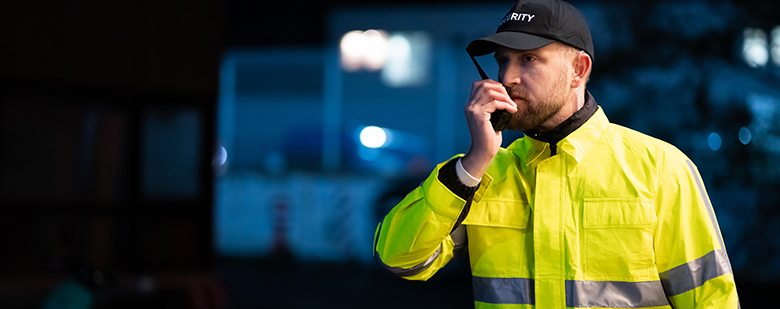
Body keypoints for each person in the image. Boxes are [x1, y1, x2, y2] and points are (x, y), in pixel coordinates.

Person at [372, 0, 740, 308]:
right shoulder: (481, 173)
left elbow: (711, 300)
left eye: (528, 60)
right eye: (503, 60)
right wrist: (471, 166)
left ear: (578, 70)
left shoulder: (660, 170)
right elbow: (400, 259)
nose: (508, 77)